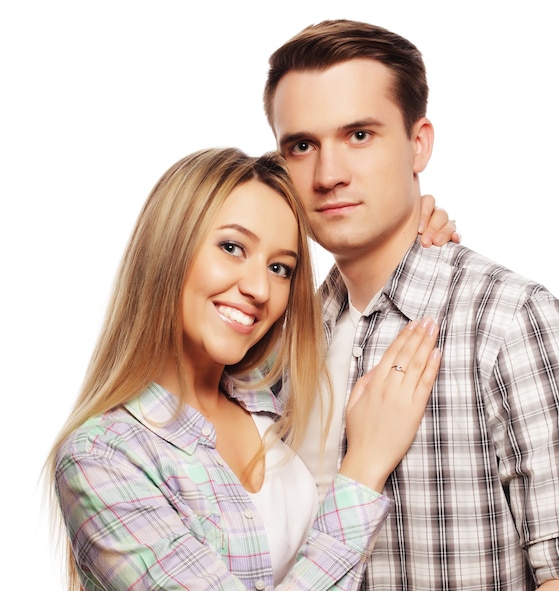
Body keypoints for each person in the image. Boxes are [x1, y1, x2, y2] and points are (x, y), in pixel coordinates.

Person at [263, 19, 559, 590]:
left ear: (419, 144)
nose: (329, 175)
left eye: (360, 135)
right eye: (302, 145)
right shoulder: (284, 339)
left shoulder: (516, 325)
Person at [45, 147, 449, 590]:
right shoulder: (103, 458)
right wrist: (365, 468)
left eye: (280, 268)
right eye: (232, 247)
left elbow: (339, 308)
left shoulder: (273, 395)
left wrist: (403, 233)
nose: (260, 289)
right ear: (167, 247)